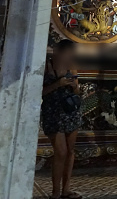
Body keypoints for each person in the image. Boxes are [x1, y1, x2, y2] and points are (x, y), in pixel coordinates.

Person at [41, 40, 82, 199]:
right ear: (59, 52)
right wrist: (59, 84)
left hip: (71, 112)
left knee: (70, 151)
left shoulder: (72, 67)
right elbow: (41, 92)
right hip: (53, 113)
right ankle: (55, 191)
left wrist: (74, 86)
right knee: (61, 152)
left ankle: (66, 189)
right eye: (68, 53)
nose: (70, 57)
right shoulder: (47, 66)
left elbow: (77, 91)